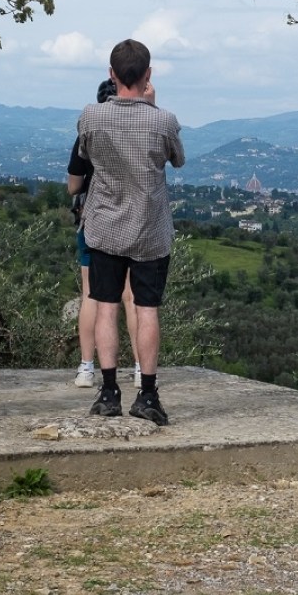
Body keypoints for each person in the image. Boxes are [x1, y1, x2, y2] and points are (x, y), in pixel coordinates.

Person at [77, 39, 184, 424]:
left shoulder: (90, 116)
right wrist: (151, 108)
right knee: (146, 308)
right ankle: (148, 394)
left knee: (105, 306)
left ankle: (108, 392)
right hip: (150, 229)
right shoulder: (163, 120)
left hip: (104, 225)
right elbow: (178, 159)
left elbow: (86, 155)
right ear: (148, 75)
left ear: (112, 74)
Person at [67, 77, 140, 389]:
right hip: (135, 221)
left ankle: (86, 367)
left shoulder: (89, 133)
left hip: (96, 221)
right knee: (132, 297)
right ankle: (141, 368)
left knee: (91, 294)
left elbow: (73, 185)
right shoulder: (143, 131)